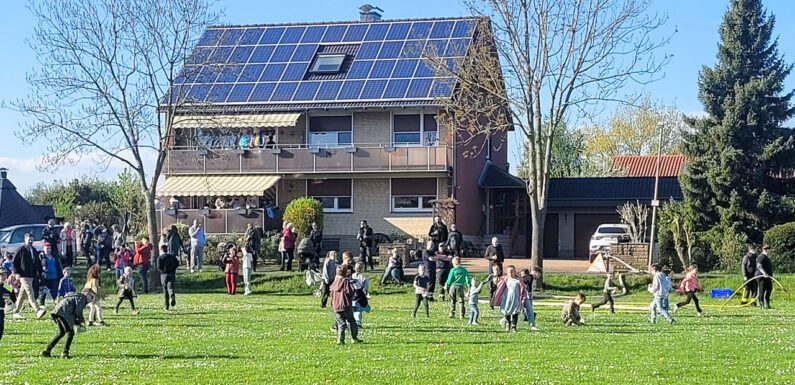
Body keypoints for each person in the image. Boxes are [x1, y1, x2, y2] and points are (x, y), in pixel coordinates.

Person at [41, 288, 93, 359]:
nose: (92, 299)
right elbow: (78, 311)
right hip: (65, 314)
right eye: (91, 297)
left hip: (56, 312)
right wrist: (80, 322)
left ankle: (47, 350)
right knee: (70, 333)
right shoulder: (82, 297)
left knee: (61, 332)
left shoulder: (74, 295)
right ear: (86, 294)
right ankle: (65, 353)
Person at [12, 233, 46, 319]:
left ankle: (16, 312)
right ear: (25, 239)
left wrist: (40, 272)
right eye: (29, 239)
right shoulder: (21, 250)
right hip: (23, 275)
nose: (30, 241)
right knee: (30, 292)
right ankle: (37, 310)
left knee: (22, 295)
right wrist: (16, 273)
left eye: (32, 239)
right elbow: (14, 262)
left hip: (31, 275)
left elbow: (37, 263)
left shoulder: (34, 250)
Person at [491, 265, 529, 331]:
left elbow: (523, 290)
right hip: (507, 299)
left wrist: (523, 298)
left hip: (516, 299)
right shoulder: (505, 279)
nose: (511, 273)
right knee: (506, 311)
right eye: (509, 272)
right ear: (507, 273)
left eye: (512, 271)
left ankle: (514, 326)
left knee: (515, 312)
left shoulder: (518, 280)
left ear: (515, 272)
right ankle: (508, 323)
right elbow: (498, 286)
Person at [330, 266, 362, 345]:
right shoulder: (346, 282)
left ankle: (340, 340)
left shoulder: (335, 282)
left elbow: (331, 292)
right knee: (352, 321)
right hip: (346, 305)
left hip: (336, 306)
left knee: (341, 323)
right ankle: (354, 338)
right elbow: (351, 291)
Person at [39, 242, 64, 307]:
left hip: (54, 277)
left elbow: (59, 265)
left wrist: (61, 273)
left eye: (49, 248)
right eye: (46, 248)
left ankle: (57, 304)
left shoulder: (55, 256)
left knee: (54, 292)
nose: (48, 250)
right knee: (43, 292)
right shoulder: (41, 257)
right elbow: (38, 266)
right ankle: (41, 305)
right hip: (45, 278)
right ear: (43, 248)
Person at [157, 245, 179, 310]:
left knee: (165, 289)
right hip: (172, 274)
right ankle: (172, 295)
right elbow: (177, 264)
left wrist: (163, 271)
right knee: (171, 287)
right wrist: (173, 269)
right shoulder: (172, 257)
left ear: (161, 250)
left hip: (164, 275)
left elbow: (158, 267)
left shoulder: (160, 258)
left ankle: (166, 306)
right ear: (167, 250)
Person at [351, 262, 370, 327]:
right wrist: (366, 294)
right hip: (360, 296)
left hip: (352, 295)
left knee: (353, 309)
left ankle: (351, 322)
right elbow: (365, 288)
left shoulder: (352, 276)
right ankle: (358, 323)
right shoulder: (364, 278)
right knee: (359, 310)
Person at [756, 244, 774, 310]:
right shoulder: (761, 257)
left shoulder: (766, 257)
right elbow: (759, 266)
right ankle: (762, 305)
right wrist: (764, 273)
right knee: (762, 290)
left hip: (768, 277)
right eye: (769, 250)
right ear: (765, 250)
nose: (770, 251)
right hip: (762, 277)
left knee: (769, 289)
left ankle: (767, 304)